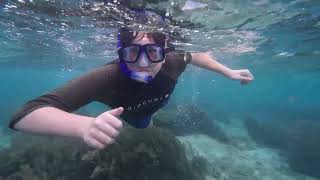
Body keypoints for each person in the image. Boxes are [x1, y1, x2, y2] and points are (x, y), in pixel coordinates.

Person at [8, 10, 254, 150]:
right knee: (142, 126)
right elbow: (25, 115)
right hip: (133, 118)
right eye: (133, 53)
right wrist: (83, 126)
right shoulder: (107, 77)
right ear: (120, 53)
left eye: (153, 53)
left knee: (148, 125)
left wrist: (228, 72)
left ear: (165, 50)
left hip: (148, 113)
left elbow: (196, 56)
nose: (144, 63)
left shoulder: (173, 61)